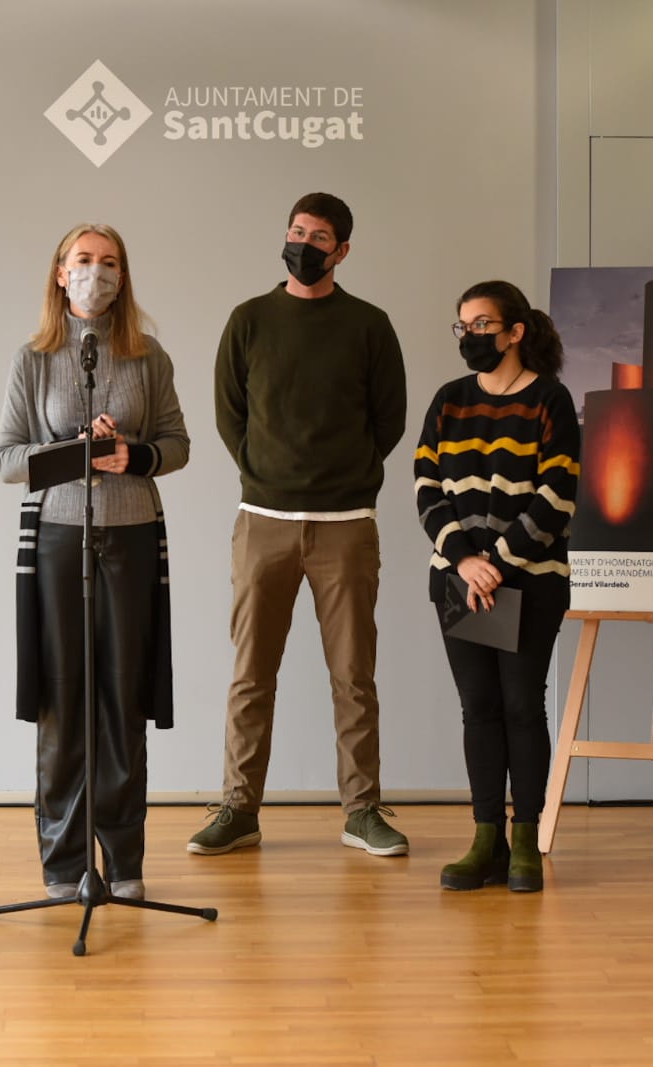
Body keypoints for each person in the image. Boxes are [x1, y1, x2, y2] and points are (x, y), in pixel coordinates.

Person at [189, 192, 410, 857]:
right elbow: (229, 413)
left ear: (342, 251)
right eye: (296, 231)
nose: (303, 245)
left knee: (354, 677)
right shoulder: (249, 320)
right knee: (251, 674)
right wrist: (266, 472)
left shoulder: (369, 325)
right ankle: (239, 809)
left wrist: (347, 475)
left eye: (318, 237)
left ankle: (362, 811)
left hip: (347, 523)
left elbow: (389, 419)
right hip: (264, 521)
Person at [0, 223, 189, 901]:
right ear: (60, 272)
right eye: (83, 260)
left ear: (122, 277)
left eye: (109, 262)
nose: (95, 272)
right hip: (58, 538)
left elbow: (177, 444)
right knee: (62, 701)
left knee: (122, 700)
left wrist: (132, 454)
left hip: (130, 535)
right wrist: (73, 451)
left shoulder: (148, 356)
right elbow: (6, 459)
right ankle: (65, 863)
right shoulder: (34, 358)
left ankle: (124, 862)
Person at [414, 280, 578, 892]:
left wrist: (498, 564)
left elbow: (557, 493)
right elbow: (426, 486)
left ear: (515, 332)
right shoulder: (448, 400)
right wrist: (464, 561)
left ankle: (525, 839)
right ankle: (486, 839)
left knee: (521, 706)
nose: (471, 336)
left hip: (531, 581)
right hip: (458, 580)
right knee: (478, 708)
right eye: (463, 325)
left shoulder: (550, 399)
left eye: (483, 324)